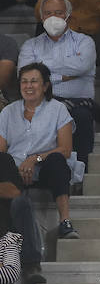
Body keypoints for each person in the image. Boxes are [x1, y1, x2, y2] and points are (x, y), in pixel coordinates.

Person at [0, 63, 76, 239]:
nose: (28, 86)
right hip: (15, 169)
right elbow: (2, 150)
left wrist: (35, 159)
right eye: (24, 82)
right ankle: (10, 230)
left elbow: (65, 149)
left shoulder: (57, 109)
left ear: (45, 85)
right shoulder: (8, 112)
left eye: (34, 81)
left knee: (57, 160)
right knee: (2, 160)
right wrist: (15, 166)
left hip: (45, 166)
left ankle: (65, 222)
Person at [20, 0, 97, 164]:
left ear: (68, 14)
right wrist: (65, 76)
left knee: (82, 118)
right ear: (41, 18)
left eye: (58, 12)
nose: (53, 17)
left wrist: (43, 70)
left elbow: (82, 66)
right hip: (43, 103)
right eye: (48, 13)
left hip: (77, 103)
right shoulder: (30, 45)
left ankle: (82, 175)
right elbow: (25, 75)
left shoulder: (85, 42)